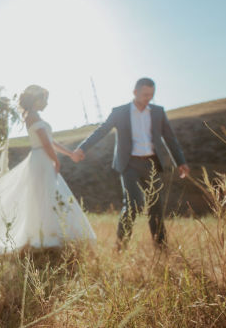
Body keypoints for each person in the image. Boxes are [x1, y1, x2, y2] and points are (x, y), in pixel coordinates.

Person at [0, 85, 96, 253]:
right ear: (37, 100)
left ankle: (53, 237)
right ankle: (46, 238)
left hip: (42, 158)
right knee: (44, 196)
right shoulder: (32, 116)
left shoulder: (35, 116)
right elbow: (45, 142)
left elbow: (50, 141)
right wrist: (56, 160)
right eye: (45, 99)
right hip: (41, 159)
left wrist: (70, 153)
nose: (47, 103)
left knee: (49, 195)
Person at [71, 77, 189, 250]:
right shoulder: (120, 112)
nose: (148, 97)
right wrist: (82, 148)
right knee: (134, 204)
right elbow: (102, 130)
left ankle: (161, 247)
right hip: (129, 164)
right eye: (144, 94)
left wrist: (181, 161)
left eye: (151, 94)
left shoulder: (157, 112)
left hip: (151, 163)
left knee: (156, 205)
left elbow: (170, 138)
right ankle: (121, 246)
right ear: (135, 92)